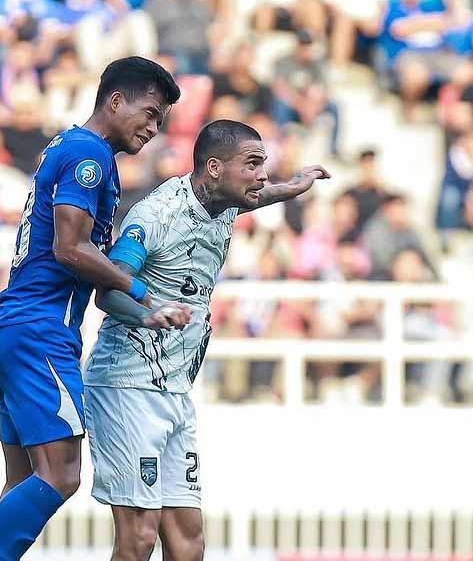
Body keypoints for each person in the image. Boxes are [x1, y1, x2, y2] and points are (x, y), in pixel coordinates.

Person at [83, 119, 329, 561]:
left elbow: (256, 198)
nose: (261, 176)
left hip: (176, 390)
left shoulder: (224, 203)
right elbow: (109, 290)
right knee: (139, 536)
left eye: (264, 165)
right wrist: (150, 311)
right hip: (126, 387)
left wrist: (292, 188)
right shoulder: (155, 216)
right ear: (214, 167)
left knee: (187, 538)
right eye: (252, 165)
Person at [0, 57, 188, 561]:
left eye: (161, 122)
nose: (153, 129)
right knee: (62, 473)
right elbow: (70, 249)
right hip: (40, 331)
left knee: (21, 484)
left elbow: (83, 267)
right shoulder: (88, 155)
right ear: (115, 101)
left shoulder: (70, 147)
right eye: (150, 113)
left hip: (16, 329)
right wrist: (141, 292)